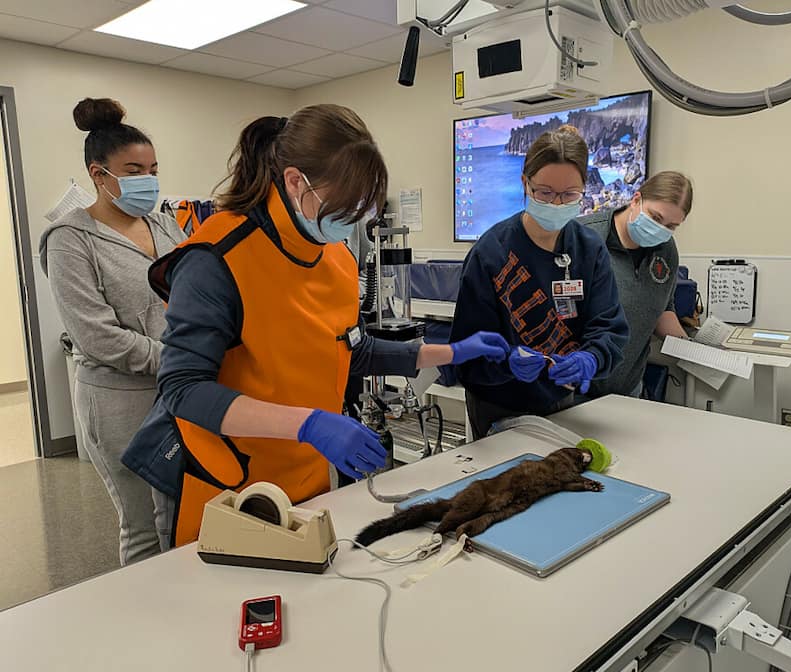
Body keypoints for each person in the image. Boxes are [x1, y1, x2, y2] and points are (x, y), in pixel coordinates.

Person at [123, 104, 509, 548]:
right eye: (347, 205)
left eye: (364, 207)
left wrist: (453, 351)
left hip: (304, 472)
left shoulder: (336, 257)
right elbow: (184, 389)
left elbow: (351, 349)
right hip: (225, 478)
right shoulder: (217, 258)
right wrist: (310, 424)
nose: (355, 218)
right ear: (294, 182)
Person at [39, 98, 186, 565]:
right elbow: (96, 336)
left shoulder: (164, 225)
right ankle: (144, 622)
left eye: (153, 168)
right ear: (99, 175)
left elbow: (194, 293)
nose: (148, 179)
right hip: (120, 399)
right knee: (143, 523)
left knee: (180, 511)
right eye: (134, 169)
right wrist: (181, 358)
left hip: (179, 389)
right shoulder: (70, 239)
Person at [450, 125, 629, 439]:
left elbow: (609, 328)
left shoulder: (589, 249)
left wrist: (591, 358)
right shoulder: (491, 254)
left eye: (569, 195)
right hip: (499, 406)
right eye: (545, 193)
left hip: (564, 402)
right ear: (525, 183)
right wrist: (506, 363)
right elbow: (466, 358)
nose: (557, 204)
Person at [578, 171, 693, 399]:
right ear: (636, 200)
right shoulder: (585, 238)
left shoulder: (666, 250)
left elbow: (662, 310)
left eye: (671, 226)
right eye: (655, 217)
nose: (660, 230)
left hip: (628, 389)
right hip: (577, 389)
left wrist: (693, 350)